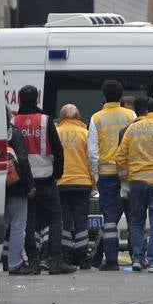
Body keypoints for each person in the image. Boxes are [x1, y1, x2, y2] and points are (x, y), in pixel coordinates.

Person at [13, 86, 74, 275]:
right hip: (46, 177)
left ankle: (32, 261)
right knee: (55, 217)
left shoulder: (12, 121)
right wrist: (58, 173)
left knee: (27, 221)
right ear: (37, 99)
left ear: (20, 100)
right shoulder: (45, 120)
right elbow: (58, 149)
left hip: (22, 179)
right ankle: (55, 260)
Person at [119, 96, 153, 272]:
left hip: (137, 182)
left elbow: (120, 157)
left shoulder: (132, 129)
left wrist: (124, 180)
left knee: (136, 221)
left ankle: (136, 259)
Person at [88, 80, 135, 271]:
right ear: (121, 95)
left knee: (109, 219)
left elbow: (92, 151)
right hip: (128, 173)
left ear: (104, 96)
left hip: (106, 174)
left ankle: (112, 260)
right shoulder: (130, 115)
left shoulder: (96, 118)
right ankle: (137, 256)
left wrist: (97, 175)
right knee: (133, 216)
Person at [57, 104, 94, 269]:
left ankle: (65, 255)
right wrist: (94, 183)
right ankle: (82, 257)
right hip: (82, 182)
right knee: (81, 222)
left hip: (61, 183)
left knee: (64, 221)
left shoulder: (56, 133)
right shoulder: (85, 134)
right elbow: (91, 160)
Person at [4, 118, 37, 275]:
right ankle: (15, 264)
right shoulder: (14, 134)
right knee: (18, 226)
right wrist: (30, 185)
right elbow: (23, 160)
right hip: (16, 186)